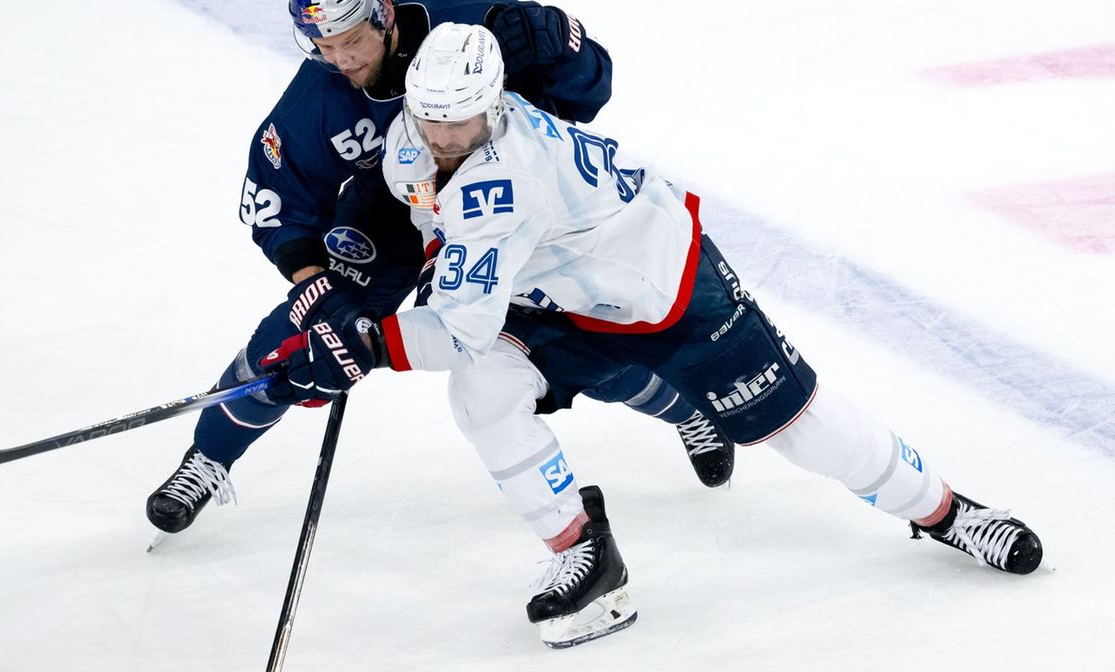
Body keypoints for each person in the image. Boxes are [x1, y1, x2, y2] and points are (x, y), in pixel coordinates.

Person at [263, 22, 1044, 648]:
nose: (439, 135)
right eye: (428, 118)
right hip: (559, 293)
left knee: (801, 431)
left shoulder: (507, 183)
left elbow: (460, 325)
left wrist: (364, 346)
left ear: (495, 102)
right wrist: (349, 305)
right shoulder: (419, 138)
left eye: (457, 120)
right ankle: (584, 557)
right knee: (485, 392)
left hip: (667, 292)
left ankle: (944, 511)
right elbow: (432, 234)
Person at [148, 0, 736, 538]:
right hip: (397, 213)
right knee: (299, 338)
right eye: (322, 47)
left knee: (568, 342)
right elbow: (280, 205)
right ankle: (209, 456)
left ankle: (684, 409)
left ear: (382, 15)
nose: (341, 60)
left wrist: (560, 48)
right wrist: (318, 292)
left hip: (509, 212)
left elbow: (588, 95)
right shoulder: (318, 97)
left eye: (350, 39)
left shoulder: (470, 30)